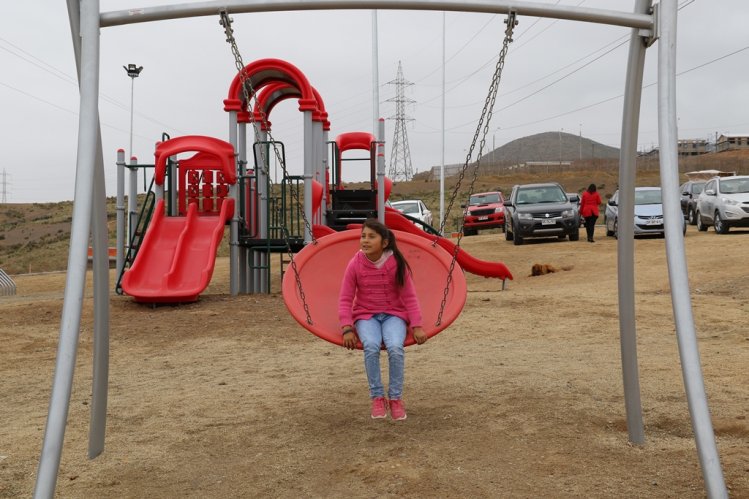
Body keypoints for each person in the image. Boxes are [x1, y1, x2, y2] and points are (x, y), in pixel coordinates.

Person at [338, 219, 426, 421]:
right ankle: (377, 397)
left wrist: (417, 325)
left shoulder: (396, 263)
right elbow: (345, 298)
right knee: (371, 345)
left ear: (384, 242)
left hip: (393, 314)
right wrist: (347, 327)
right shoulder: (355, 264)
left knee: (395, 347)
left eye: (371, 236)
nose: (365, 240)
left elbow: (410, 298)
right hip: (366, 315)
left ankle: (395, 398)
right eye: (363, 236)